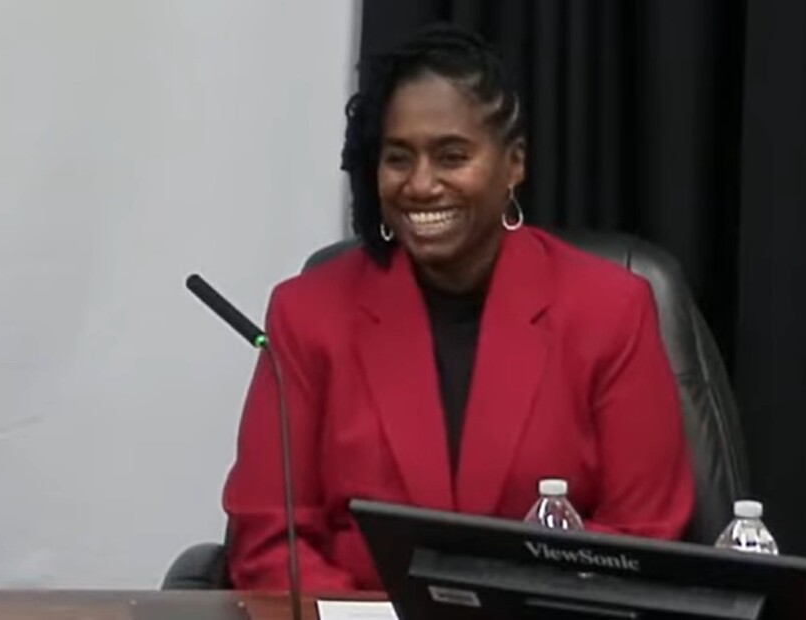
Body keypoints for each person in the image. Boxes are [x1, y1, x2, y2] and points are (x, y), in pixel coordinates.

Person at [222, 23, 694, 592]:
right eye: (399, 158)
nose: (421, 185)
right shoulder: (308, 314)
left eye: (451, 156)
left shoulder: (610, 308)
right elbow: (271, 543)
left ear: (513, 162)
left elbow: (643, 536)